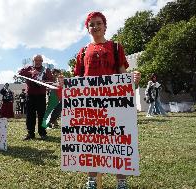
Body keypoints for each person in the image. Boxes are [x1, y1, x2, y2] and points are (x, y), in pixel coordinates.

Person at [74, 12, 141, 189]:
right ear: (87, 29)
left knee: (118, 141)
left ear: (105, 26)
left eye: (98, 23)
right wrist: (63, 84)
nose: (95, 27)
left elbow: (122, 74)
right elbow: (78, 80)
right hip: (90, 104)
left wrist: (131, 80)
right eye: (91, 25)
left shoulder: (116, 47)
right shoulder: (82, 52)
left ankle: (121, 181)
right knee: (91, 142)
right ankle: (92, 181)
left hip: (114, 102)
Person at [18, 54, 53, 140]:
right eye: (36, 60)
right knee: (30, 115)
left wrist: (42, 80)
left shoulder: (46, 70)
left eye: (39, 60)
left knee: (42, 115)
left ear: (42, 61)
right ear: (33, 61)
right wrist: (31, 73)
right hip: (30, 95)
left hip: (41, 95)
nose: (37, 62)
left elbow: (51, 81)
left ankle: (42, 133)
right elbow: (20, 73)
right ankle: (30, 133)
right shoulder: (29, 68)